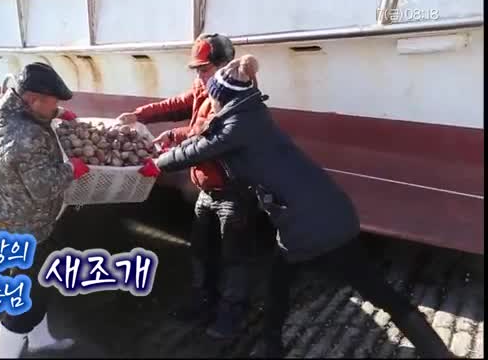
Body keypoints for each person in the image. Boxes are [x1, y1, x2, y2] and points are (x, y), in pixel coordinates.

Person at [152, 56, 454, 358]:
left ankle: (270, 349)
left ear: (223, 99)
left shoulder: (236, 126)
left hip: (304, 224)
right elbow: (205, 136)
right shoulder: (252, 112)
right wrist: (174, 142)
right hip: (333, 211)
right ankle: (437, 352)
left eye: (214, 98)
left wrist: (154, 165)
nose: (211, 103)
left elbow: (198, 149)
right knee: (369, 288)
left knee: (281, 288)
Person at [118, 33, 269, 339]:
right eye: (197, 70)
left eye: (204, 69)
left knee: (235, 256)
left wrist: (168, 145)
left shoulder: (237, 95)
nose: (199, 76)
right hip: (208, 188)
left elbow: (206, 134)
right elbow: (182, 103)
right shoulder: (205, 84)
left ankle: (231, 313)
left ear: (224, 65)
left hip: (234, 191)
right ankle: (203, 301)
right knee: (201, 248)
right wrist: (139, 115)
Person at [0, 62, 90, 358]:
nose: (56, 106)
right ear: (32, 98)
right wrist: (72, 169)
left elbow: (31, 114)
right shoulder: (27, 136)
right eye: (53, 102)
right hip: (27, 230)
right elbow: (43, 187)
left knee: (38, 289)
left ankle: (40, 341)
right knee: (23, 305)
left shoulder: (0, 104)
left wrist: (58, 113)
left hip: (9, 220)